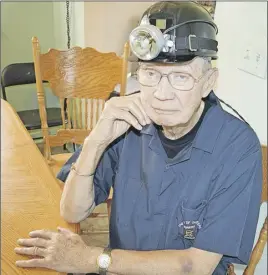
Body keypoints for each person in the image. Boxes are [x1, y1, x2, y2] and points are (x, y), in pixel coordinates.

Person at [14, 2, 263, 275]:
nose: (161, 93)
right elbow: (73, 211)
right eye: (151, 73)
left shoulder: (238, 147)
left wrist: (92, 259)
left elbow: (195, 266)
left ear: (208, 81)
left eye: (180, 77)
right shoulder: (128, 120)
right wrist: (96, 141)